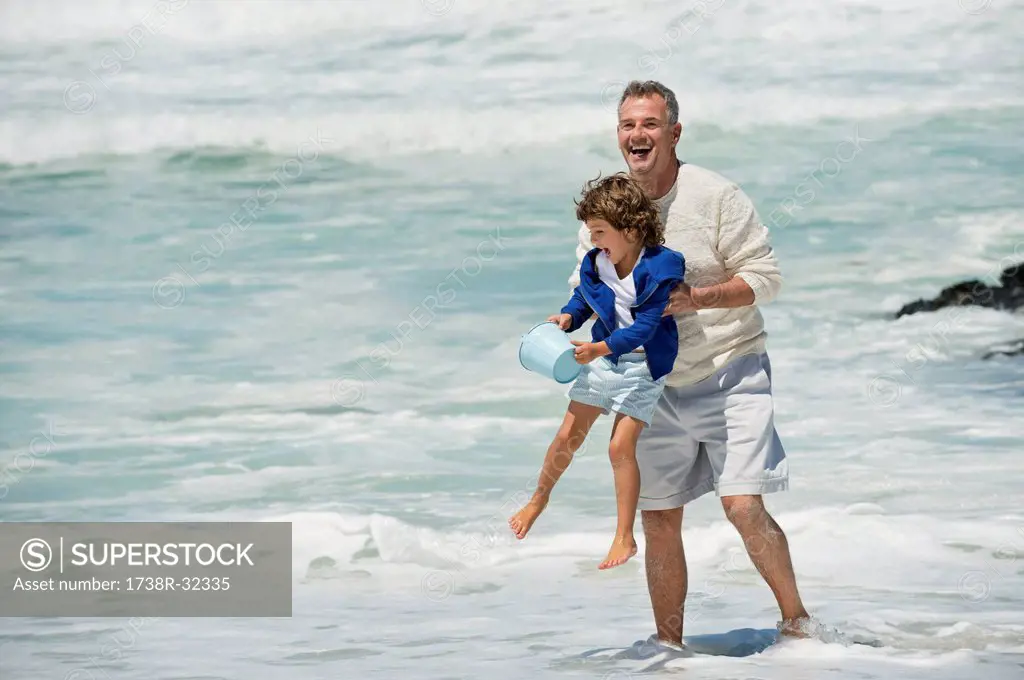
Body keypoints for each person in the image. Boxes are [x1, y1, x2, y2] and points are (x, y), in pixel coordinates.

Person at [566, 80, 812, 647]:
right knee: (658, 518)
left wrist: (696, 298)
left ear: (674, 132)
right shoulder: (605, 208)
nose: (637, 135)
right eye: (628, 125)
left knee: (743, 505)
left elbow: (765, 279)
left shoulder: (716, 196)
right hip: (653, 384)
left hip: (732, 369)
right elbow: (588, 286)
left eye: (649, 124)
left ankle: (798, 624)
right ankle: (669, 650)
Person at [508, 173, 686, 570]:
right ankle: (539, 498)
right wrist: (569, 318)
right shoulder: (596, 262)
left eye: (600, 231)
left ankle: (624, 537)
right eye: (591, 232)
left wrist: (599, 348)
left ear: (632, 228)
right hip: (604, 357)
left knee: (619, 447)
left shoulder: (663, 265)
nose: (594, 241)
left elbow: (647, 326)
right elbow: (584, 298)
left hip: (644, 364)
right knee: (567, 434)